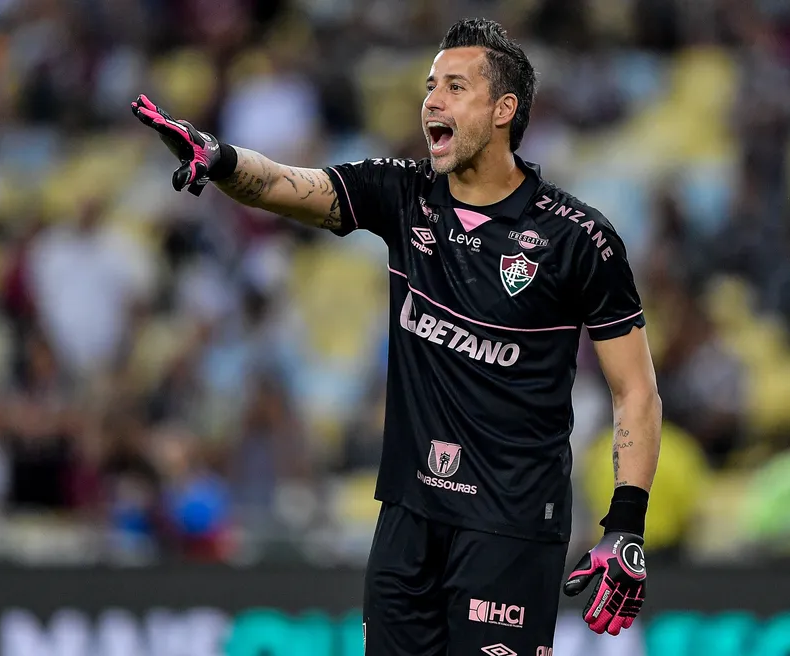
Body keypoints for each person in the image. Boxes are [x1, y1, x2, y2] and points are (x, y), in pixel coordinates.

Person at [133, 17, 661, 656]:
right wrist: (220, 159)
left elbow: (635, 392)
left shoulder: (579, 239)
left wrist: (625, 524)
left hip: (511, 529)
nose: (431, 100)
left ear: (504, 110)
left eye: (454, 86)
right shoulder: (403, 195)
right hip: (408, 519)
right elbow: (284, 184)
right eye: (429, 85)